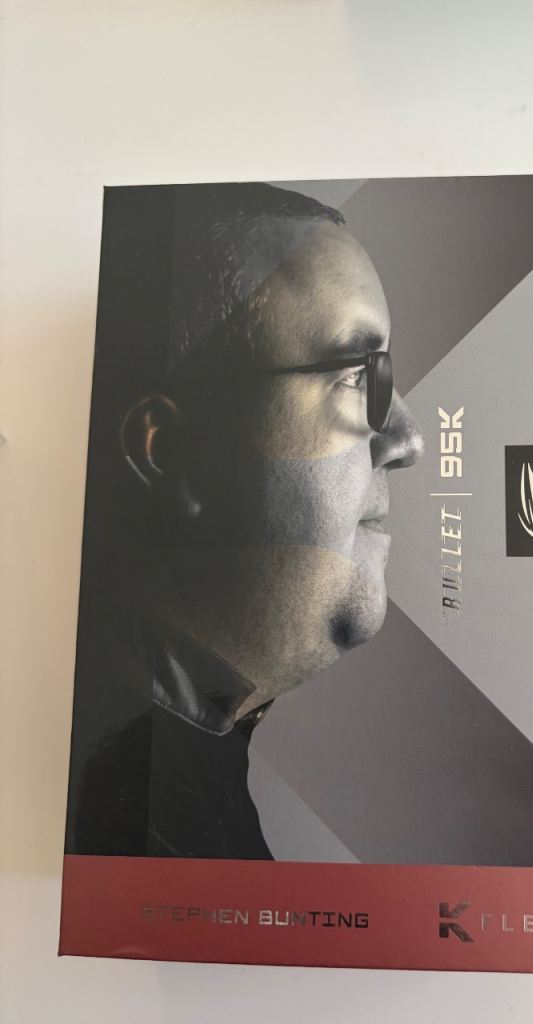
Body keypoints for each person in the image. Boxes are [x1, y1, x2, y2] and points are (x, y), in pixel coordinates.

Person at [65, 183, 424, 858]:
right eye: (356, 374)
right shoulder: (139, 838)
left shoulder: (176, 784)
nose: (408, 438)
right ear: (173, 451)